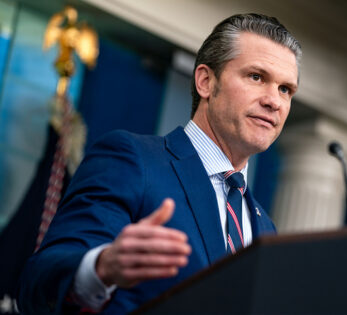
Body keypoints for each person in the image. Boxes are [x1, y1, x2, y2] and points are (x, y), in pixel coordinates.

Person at [18, 13, 301, 314]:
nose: (275, 101)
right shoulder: (133, 159)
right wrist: (101, 268)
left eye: (286, 89)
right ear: (206, 81)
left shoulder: (266, 228)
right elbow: (38, 283)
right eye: (256, 77)